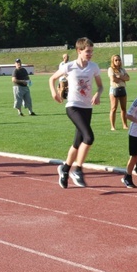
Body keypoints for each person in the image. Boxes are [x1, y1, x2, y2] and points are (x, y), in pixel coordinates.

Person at [48, 37, 103, 189]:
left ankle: (64, 169)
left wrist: (98, 94)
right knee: (89, 137)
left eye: (91, 51)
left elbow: (100, 86)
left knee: (77, 143)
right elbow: (52, 78)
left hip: (87, 108)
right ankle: (78, 170)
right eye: (87, 51)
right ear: (79, 51)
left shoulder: (94, 67)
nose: (90, 54)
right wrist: (54, 92)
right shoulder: (69, 66)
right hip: (72, 106)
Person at [108, 54, 130, 130]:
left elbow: (128, 78)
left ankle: (125, 125)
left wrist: (120, 77)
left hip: (122, 89)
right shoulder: (111, 69)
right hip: (114, 89)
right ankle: (112, 126)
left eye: (119, 60)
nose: (118, 61)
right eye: (116, 60)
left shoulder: (122, 70)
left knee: (123, 108)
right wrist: (122, 79)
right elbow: (113, 79)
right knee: (113, 108)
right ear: (113, 61)